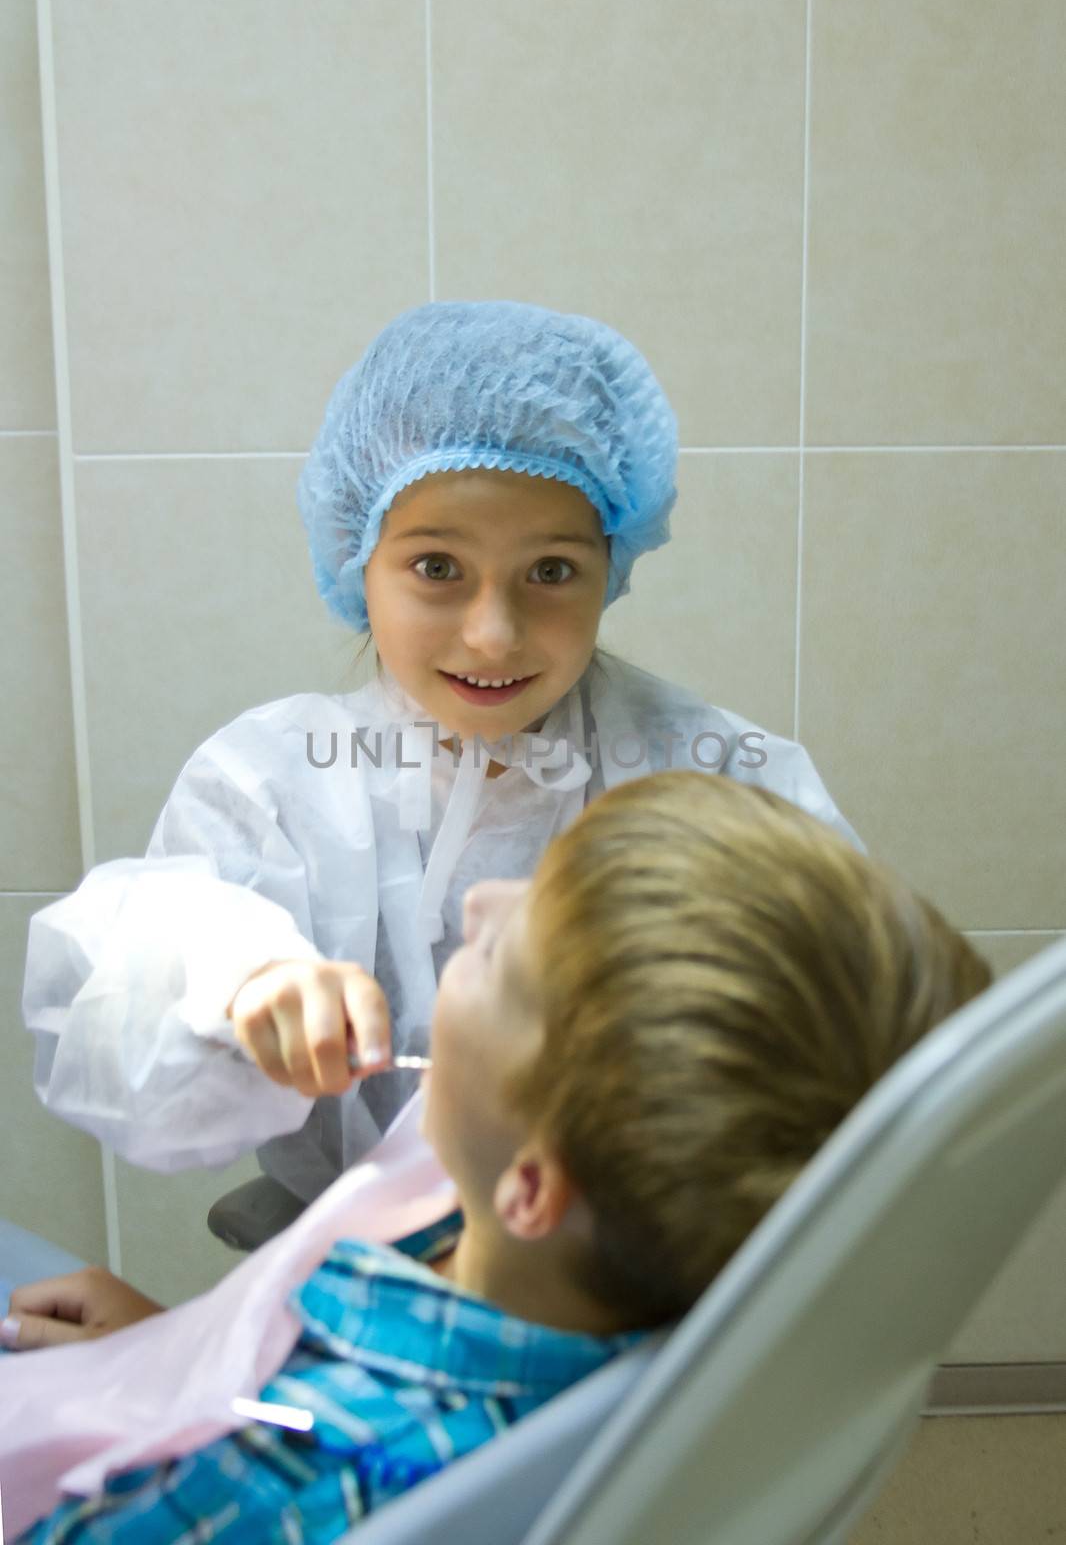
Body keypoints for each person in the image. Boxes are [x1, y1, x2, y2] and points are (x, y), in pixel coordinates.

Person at [21, 300, 862, 1216]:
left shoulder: (719, 778)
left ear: (610, 569)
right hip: (363, 1293)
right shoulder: (272, 781)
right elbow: (126, 1036)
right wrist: (240, 984)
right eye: (435, 567)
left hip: (659, 1293)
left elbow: (853, 1032)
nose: (493, 635)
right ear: (358, 561)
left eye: (550, 571)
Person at [3, 772, 989, 1542]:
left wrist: (195, 1451)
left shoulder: (283, 1486)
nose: (478, 905)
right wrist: (184, 1366)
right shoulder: (605, 1264)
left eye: (498, 960)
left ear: (530, 1185)